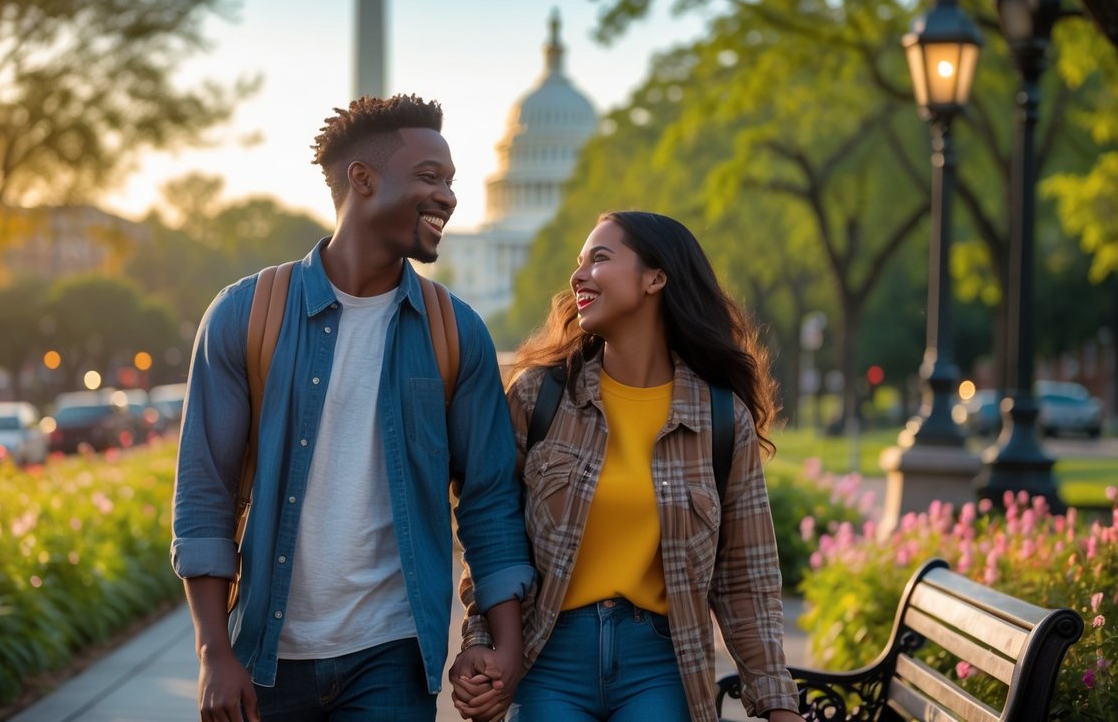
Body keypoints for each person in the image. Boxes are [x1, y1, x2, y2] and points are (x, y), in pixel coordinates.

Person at [172, 94, 534, 722]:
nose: (448, 197)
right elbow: (205, 493)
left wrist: (504, 643)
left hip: (391, 659)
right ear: (361, 180)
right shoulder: (244, 316)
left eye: (451, 181)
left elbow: (489, 498)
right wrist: (213, 651)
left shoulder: (456, 333)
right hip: (266, 655)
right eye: (429, 177)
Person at [449, 211, 804, 722]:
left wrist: (776, 703)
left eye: (600, 257)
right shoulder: (539, 396)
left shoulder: (722, 420)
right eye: (579, 262)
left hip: (662, 664)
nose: (578, 275)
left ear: (655, 277)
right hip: (549, 656)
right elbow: (493, 533)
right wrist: (482, 641)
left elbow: (746, 577)